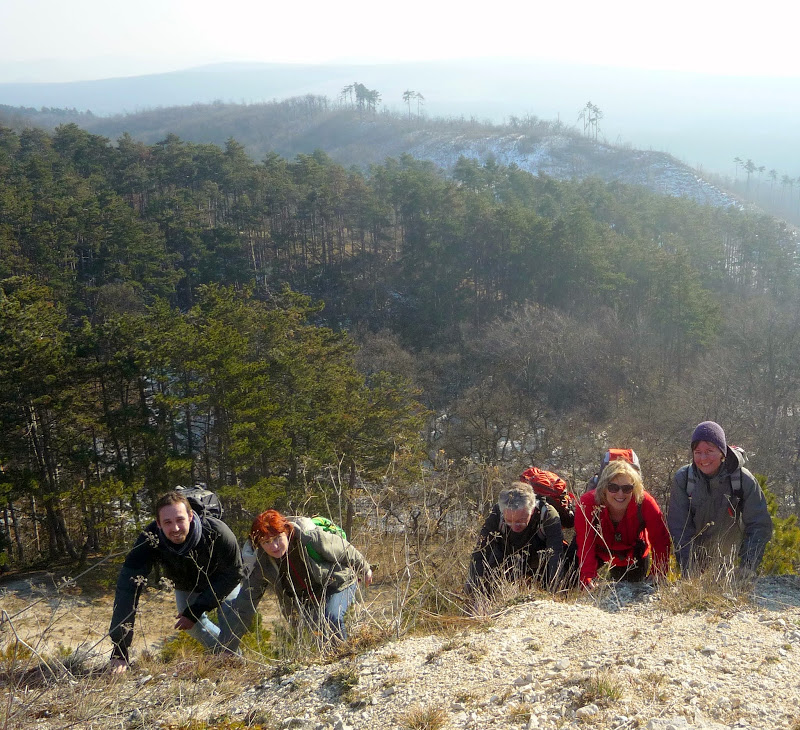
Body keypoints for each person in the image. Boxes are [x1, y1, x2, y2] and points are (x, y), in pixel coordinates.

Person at [108, 491, 243, 674]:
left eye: (180, 520)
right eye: (168, 522)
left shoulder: (217, 532)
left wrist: (195, 610)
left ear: (190, 516)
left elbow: (234, 573)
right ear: (158, 523)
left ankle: (235, 666)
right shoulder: (150, 539)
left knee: (230, 618)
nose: (176, 528)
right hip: (186, 582)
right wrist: (119, 650)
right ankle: (228, 656)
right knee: (193, 628)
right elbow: (127, 588)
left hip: (222, 579)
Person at [218, 510, 372, 650]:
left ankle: (343, 658)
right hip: (306, 602)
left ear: (285, 532)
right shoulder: (262, 564)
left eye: (278, 538)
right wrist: (228, 647)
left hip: (338, 584)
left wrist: (365, 569)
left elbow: (345, 549)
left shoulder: (309, 538)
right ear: (259, 544)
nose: (274, 546)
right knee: (318, 638)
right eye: (266, 542)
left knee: (331, 618)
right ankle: (334, 664)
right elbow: (246, 604)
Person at [667, 421, 773, 577]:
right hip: (693, 564)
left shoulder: (743, 480)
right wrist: (688, 570)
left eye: (710, 451)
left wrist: (748, 566)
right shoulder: (684, 479)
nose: (703, 458)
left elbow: (759, 524)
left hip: (730, 565)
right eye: (697, 452)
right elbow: (679, 528)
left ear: (722, 452)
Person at [574, 459, 670, 590]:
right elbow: (585, 542)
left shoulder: (645, 502)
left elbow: (660, 539)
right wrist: (587, 576)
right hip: (598, 551)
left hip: (633, 555)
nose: (620, 494)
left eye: (627, 488)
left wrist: (659, 571)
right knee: (572, 578)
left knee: (634, 591)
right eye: (613, 487)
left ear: (634, 489)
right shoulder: (587, 503)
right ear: (603, 488)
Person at [466, 482, 566, 598]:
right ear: (503, 513)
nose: (515, 526)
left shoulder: (548, 514)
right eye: (509, 521)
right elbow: (480, 552)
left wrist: (556, 591)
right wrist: (475, 589)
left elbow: (555, 555)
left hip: (540, 561)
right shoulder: (496, 514)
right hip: (506, 558)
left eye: (521, 520)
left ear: (532, 510)